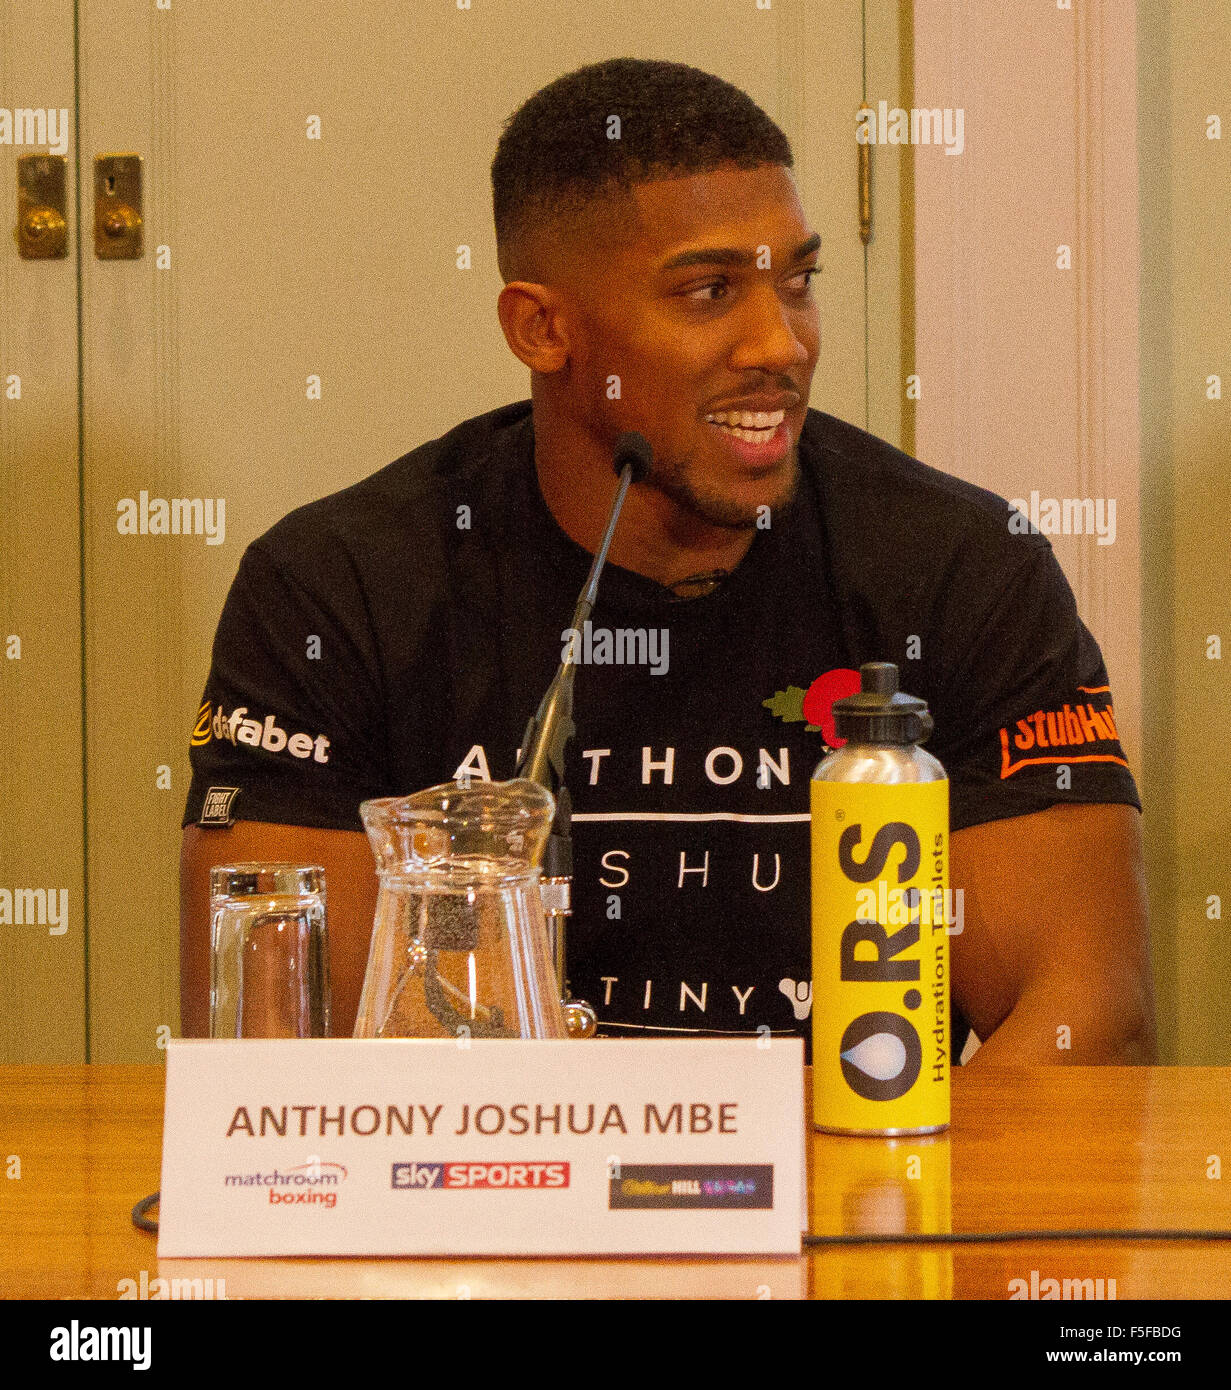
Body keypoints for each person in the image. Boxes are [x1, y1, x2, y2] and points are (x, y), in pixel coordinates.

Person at [180, 58, 1155, 1064]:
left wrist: (870, 1203)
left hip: (853, 1204)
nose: (781, 342)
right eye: (708, 291)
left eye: (798, 281)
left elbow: (1087, 1015)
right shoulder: (336, 588)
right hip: (484, 1206)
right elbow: (273, 1053)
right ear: (543, 327)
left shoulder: (957, 569)